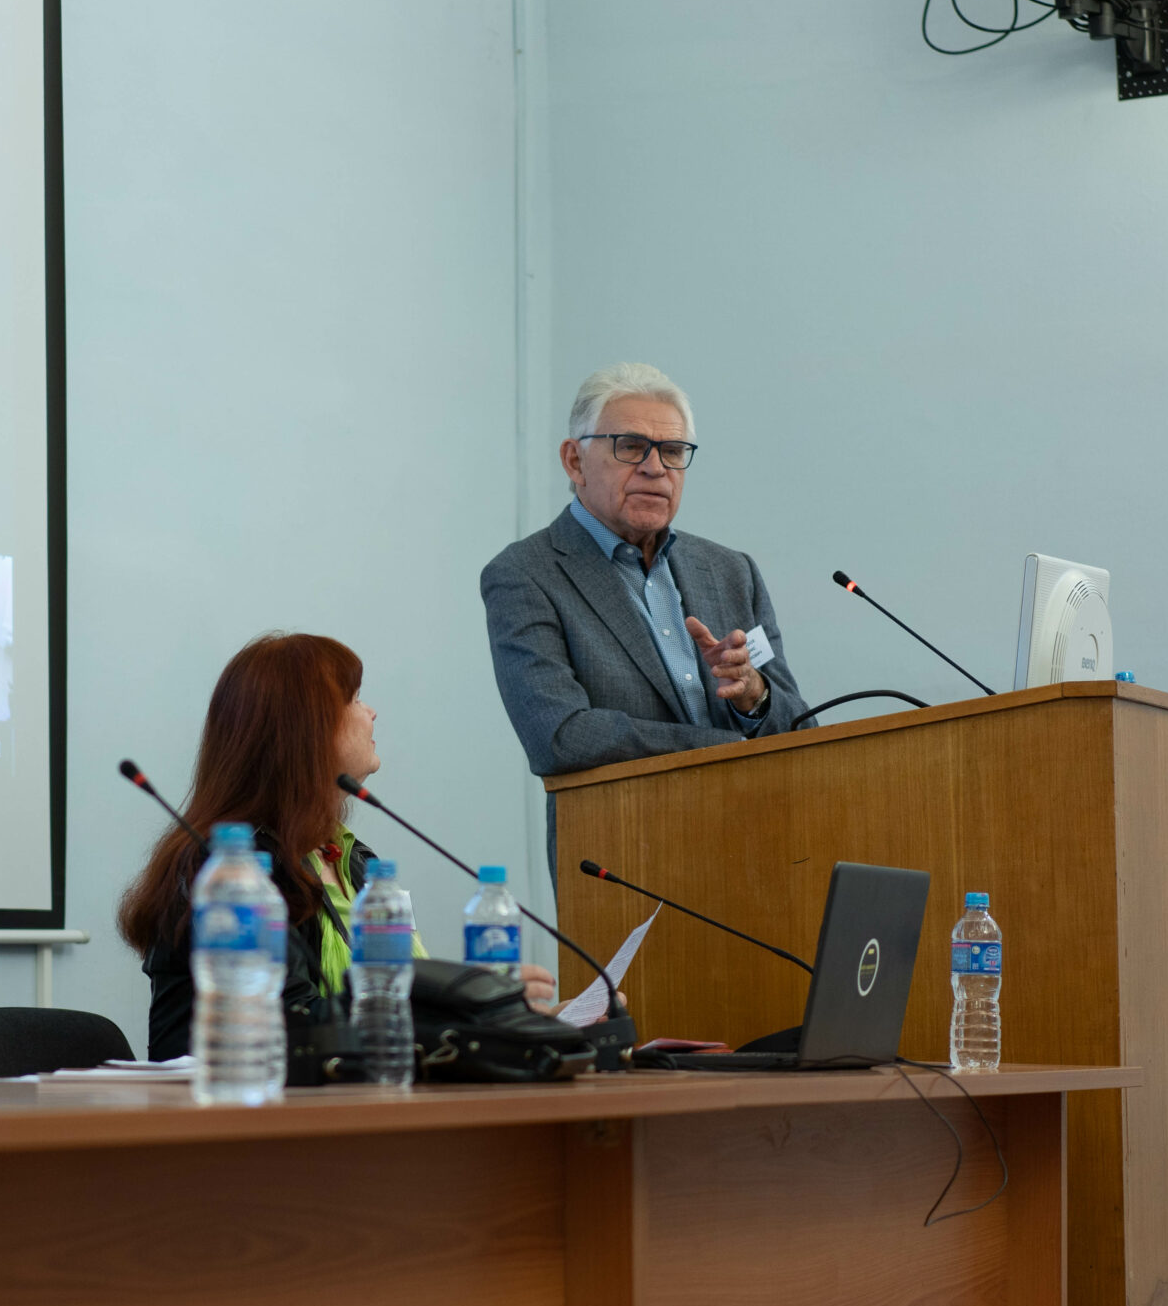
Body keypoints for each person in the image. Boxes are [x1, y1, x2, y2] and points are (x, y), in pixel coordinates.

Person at [117, 633, 558, 1062]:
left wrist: (503, 1021)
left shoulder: (355, 861)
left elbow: (398, 1001)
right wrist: (460, 1007)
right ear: (308, 730)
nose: (372, 712)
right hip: (238, 1098)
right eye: (354, 699)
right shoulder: (229, 872)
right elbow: (291, 1026)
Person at [481, 363, 808, 870]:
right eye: (630, 446)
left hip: (759, 845)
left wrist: (753, 697)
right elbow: (560, 736)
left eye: (672, 451)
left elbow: (799, 728)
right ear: (574, 460)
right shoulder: (526, 574)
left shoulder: (730, 571)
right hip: (626, 860)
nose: (655, 468)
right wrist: (726, 746)